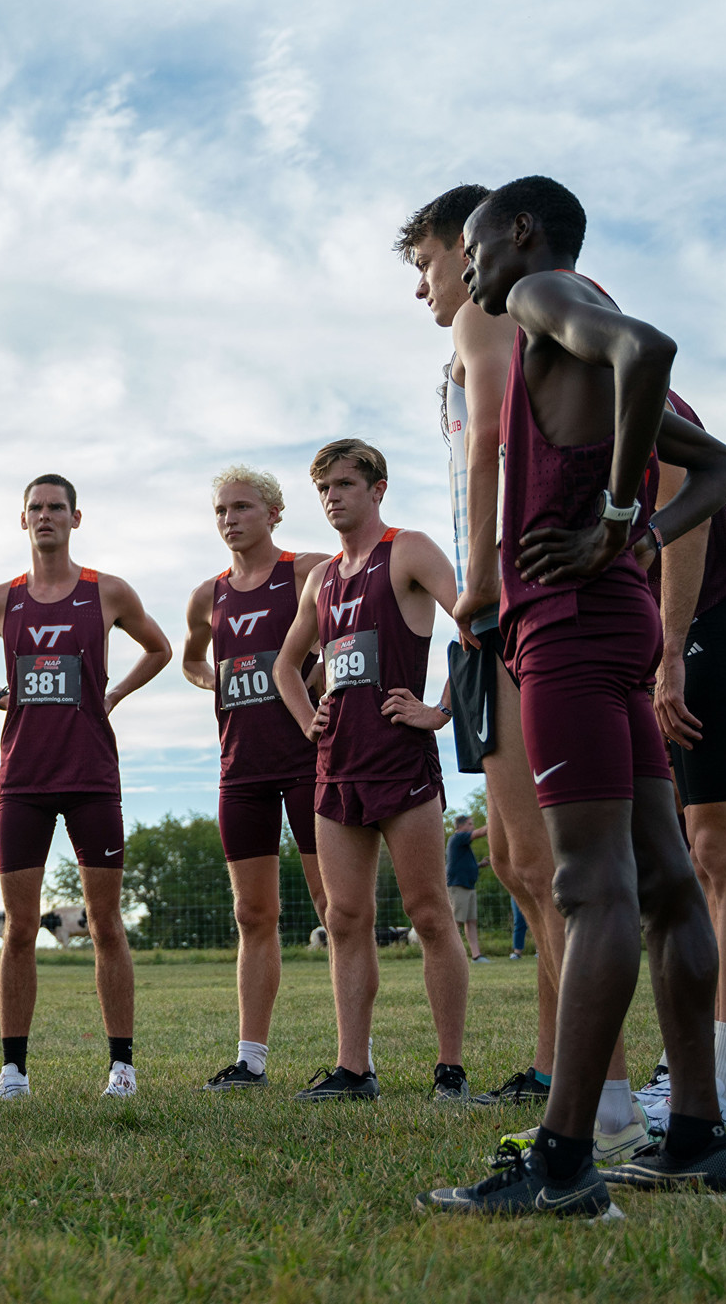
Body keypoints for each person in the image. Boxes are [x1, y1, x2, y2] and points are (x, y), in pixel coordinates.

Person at [420, 175, 726, 1215]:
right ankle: (696, 1136)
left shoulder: (539, 298)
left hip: (566, 627)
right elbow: (724, 464)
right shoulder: (569, 346)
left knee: (591, 886)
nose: (468, 269)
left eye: (473, 245)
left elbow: (650, 348)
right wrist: (639, 531)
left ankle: (565, 1161)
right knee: (663, 880)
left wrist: (615, 513)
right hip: (620, 620)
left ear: (523, 233)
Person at [399, 184, 564, 1108]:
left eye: (425, 264)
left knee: (541, 862)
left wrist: (484, 582)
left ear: (469, 249)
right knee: (511, 859)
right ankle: (553, 1061)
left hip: (506, 605)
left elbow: (498, 439)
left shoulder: (487, 317)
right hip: (490, 611)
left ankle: (594, 1078)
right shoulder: (488, 330)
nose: (424, 286)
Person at [0, 474, 172, 1101]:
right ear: (22, 521)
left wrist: (114, 693)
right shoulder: (3, 599)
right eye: (35, 508)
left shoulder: (107, 592)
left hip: (91, 778)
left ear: (77, 518)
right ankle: (13, 1072)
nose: (46, 516)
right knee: (20, 927)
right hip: (22, 780)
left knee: (105, 922)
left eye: (57, 507)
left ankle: (122, 1068)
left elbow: (158, 649)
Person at [270, 440, 472, 1103]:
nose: (333, 497)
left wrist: (441, 710)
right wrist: (308, 719)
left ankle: (450, 1070)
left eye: (345, 484)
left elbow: (471, 622)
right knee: (347, 916)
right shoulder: (321, 578)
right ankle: (353, 1069)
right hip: (336, 770)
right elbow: (284, 666)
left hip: (401, 764)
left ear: (377, 488)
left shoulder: (407, 549)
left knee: (430, 914)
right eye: (324, 487)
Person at [636, 393, 726, 1134]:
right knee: (697, 855)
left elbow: (683, 510)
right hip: (686, 631)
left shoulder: (625, 375)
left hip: (719, 619)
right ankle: (691, 1066)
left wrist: (668, 652)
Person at [180, 466, 328, 1091]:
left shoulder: (308, 571)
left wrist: (315, 681)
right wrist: (211, 678)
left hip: (309, 761)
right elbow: (191, 657)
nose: (229, 519)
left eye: (241, 507)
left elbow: (356, 620)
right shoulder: (206, 594)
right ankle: (251, 1060)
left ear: (274, 512)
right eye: (220, 510)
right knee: (252, 913)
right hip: (240, 772)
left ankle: (358, 1057)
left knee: (337, 910)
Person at [446, 815, 490, 961]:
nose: (472, 827)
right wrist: (495, 825)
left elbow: (461, 864)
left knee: (471, 921)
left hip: (468, 886)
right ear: (460, 826)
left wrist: (478, 865)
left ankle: (476, 955)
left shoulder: (462, 845)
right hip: (458, 886)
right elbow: (479, 833)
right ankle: (448, 955)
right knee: (456, 921)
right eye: (470, 824)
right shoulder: (457, 838)